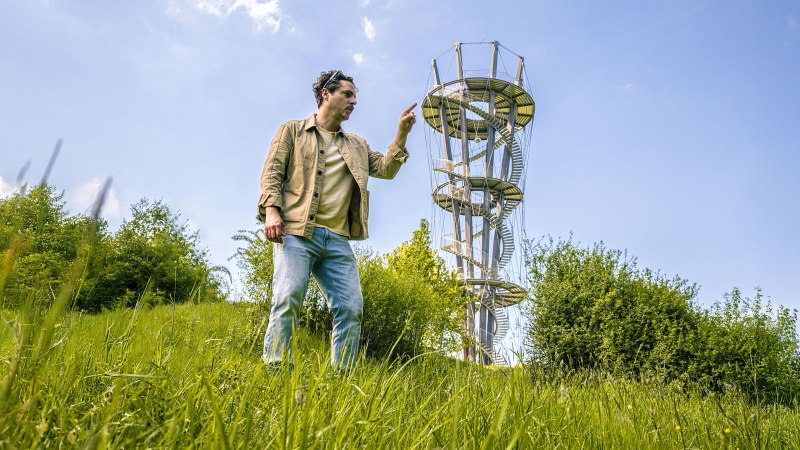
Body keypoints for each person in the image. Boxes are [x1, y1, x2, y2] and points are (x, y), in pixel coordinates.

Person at [257, 69, 417, 371]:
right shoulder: (292, 130)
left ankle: (341, 378)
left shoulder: (356, 144)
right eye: (347, 94)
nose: (354, 101)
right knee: (288, 296)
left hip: (337, 240)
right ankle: (276, 370)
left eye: (355, 96)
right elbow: (272, 174)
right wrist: (272, 211)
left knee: (351, 307)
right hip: (296, 232)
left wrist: (402, 134)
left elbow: (385, 169)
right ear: (326, 94)